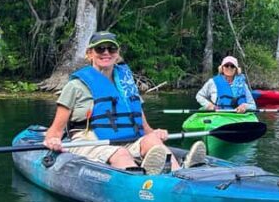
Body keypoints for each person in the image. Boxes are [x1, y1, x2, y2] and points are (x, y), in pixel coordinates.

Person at [43, 32, 205, 175]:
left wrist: (156, 133)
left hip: (129, 139)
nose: (106, 53)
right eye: (100, 49)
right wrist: (52, 140)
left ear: (117, 53)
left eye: (111, 49)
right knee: (120, 153)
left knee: (153, 143)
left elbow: (143, 126)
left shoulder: (127, 84)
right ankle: (140, 182)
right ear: (89, 54)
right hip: (90, 140)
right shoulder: (75, 87)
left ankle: (180, 174)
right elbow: (55, 131)